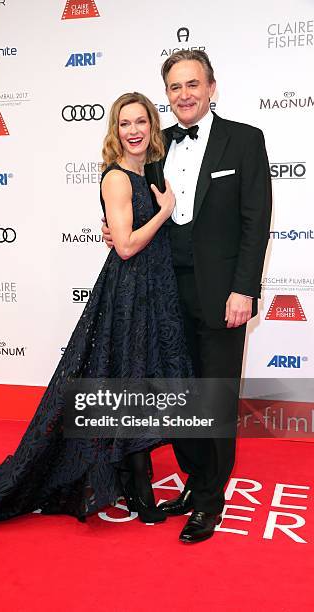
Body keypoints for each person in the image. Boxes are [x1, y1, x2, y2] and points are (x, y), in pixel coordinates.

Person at [0, 92, 192, 536]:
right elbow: (124, 246)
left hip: (151, 291)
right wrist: (164, 212)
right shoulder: (118, 179)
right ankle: (142, 497)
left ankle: (131, 484)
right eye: (125, 123)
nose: (134, 130)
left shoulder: (147, 172)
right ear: (115, 131)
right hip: (129, 294)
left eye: (141, 121)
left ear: (152, 125)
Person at [103, 51, 272, 543]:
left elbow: (254, 222)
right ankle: (195, 481)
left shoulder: (244, 140)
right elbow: (133, 204)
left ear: (212, 87)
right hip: (164, 293)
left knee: (215, 397)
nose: (184, 95)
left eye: (193, 85)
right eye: (175, 88)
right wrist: (116, 231)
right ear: (167, 95)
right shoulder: (158, 149)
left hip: (223, 296)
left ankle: (210, 501)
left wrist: (244, 288)